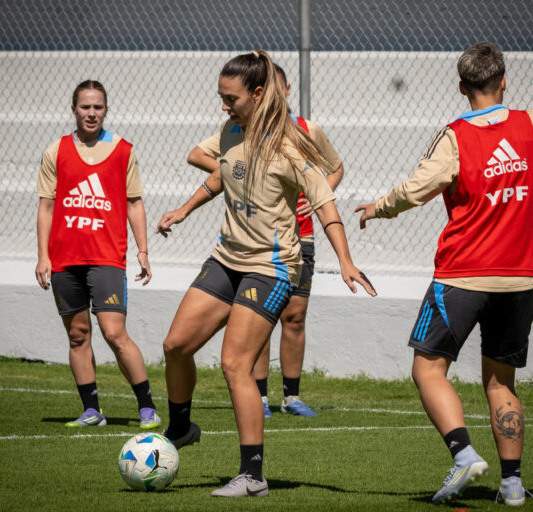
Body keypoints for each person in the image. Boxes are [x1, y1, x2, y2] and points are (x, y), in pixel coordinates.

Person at [355, 27, 533, 505]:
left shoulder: (455, 136)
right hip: (520, 277)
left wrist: (377, 207)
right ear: (504, 82)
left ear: (462, 86)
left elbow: (416, 190)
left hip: (462, 275)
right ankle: (511, 485)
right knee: (500, 381)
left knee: (427, 368)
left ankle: (465, 455)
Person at [156, 50, 375, 498]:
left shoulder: (292, 144)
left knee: (235, 364)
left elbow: (325, 205)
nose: (223, 105)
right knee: (175, 346)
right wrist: (183, 208)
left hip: (272, 269)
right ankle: (181, 429)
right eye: (220, 96)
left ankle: (253, 475)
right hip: (226, 258)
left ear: (258, 94)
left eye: (230, 97)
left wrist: (345, 260)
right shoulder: (230, 129)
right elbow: (222, 175)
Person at [186, 63, 345, 418]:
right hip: (256, 245)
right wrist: (236, 174)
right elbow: (202, 156)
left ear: (284, 92)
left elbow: (333, 169)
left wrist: (312, 194)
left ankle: (291, 396)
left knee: (295, 315)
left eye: (278, 87)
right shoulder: (237, 129)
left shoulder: (305, 131)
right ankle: (257, 394)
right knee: (259, 317)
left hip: (299, 236)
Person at [35, 80, 161, 430]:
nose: (91, 113)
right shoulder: (55, 151)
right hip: (64, 260)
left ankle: (147, 408)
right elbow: (46, 207)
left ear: (106, 109)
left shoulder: (123, 150)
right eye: (85, 107)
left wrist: (143, 251)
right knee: (77, 336)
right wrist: (42, 256)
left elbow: (135, 203)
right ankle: (92, 410)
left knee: (113, 333)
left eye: (98, 107)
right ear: (73, 108)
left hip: (106, 257)